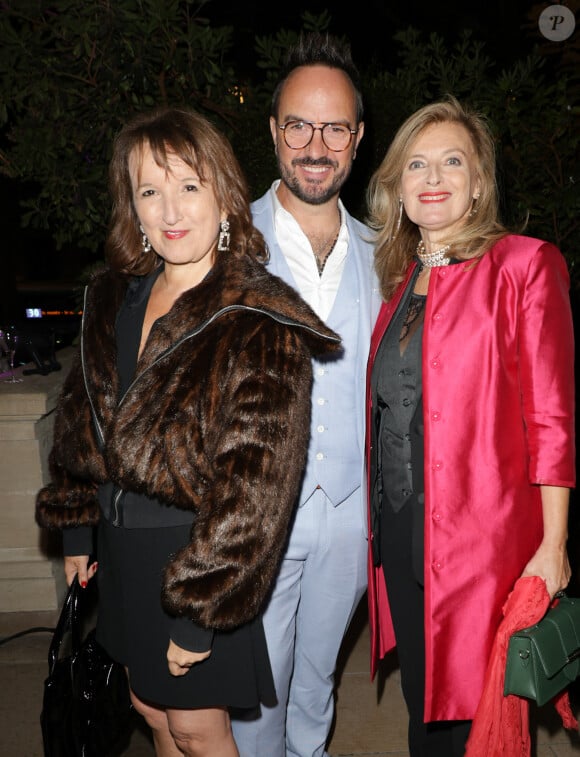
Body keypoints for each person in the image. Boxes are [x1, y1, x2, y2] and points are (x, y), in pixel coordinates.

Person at [35, 106, 342, 757]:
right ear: (134, 208)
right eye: (150, 190)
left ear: (224, 197)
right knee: (152, 709)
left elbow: (255, 490)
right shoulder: (115, 299)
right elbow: (81, 420)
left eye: (188, 186)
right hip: (123, 550)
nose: (170, 208)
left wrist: (203, 609)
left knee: (199, 726)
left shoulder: (254, 318)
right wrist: (78, 528)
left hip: (199, 556)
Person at [364, 95, 575, 756]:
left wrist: (554, 544)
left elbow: (553, 418)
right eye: (416, 165)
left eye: (451, 161)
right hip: (400, 527)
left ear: (479, 182)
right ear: (398, 188)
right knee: (423, 705)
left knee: (473, 718)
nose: (432, 178)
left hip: (482, 544)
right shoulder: (401, 282)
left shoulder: (524, 265)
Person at [231, 32, 381, 757]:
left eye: (333, 127)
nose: (315, 145)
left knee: (317, 686)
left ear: (357, 137)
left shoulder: (391, 252)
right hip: (253, 521)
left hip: (351, 522)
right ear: (273, 131)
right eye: (298, 124)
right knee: (253, 697)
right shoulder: (225, 245)